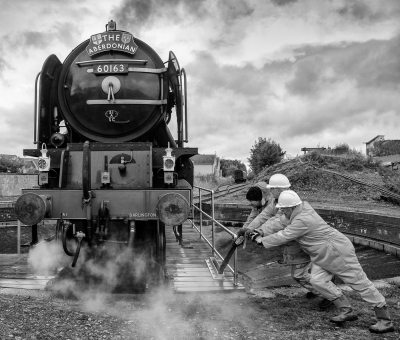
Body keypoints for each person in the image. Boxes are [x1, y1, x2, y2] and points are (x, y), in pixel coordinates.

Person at [252, 190, 394, 334]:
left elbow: (285, 235)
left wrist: (261, 240)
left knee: (360, 284)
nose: (281, 212)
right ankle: (346, 311)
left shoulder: (303, 219)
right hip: (322, 254)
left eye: (283, 209)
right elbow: (280, 222)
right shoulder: (298, 211)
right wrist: (260, 231)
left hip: (337, 252)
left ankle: (385, 321)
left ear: (292, 207)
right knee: (317, 281)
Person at [238, 175, 331, 309]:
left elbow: (278, 222)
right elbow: (263, 216)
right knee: (302, 271)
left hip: (301, 241)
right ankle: (320, 290)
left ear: (277, 189)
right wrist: (248, 229)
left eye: (272, 189)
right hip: (299, 240)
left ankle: (329, 294)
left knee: (299, 274)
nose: (270, 191)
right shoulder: (277, 200)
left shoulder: (288, 203)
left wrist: (260, 233)